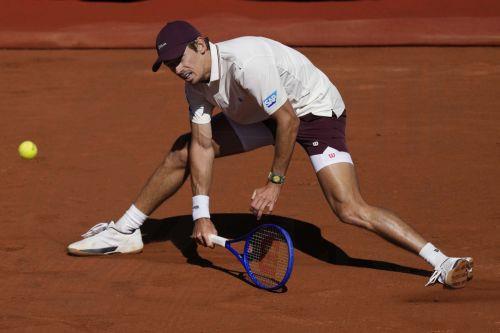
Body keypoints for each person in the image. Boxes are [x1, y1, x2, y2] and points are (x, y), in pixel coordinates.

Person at [67, 21, 473, 289]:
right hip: (261, 112)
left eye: (181, 59)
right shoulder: (193, 86)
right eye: (170, 64)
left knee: (349, 207)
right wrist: (201, 213)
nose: (177, 69)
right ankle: (125, 231)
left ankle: (441, 260)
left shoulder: (247, 63)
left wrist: (274, 182)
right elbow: (203, 146)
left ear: (202, 44)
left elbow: (289, 121)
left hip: (311, 111)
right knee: (183, 150)